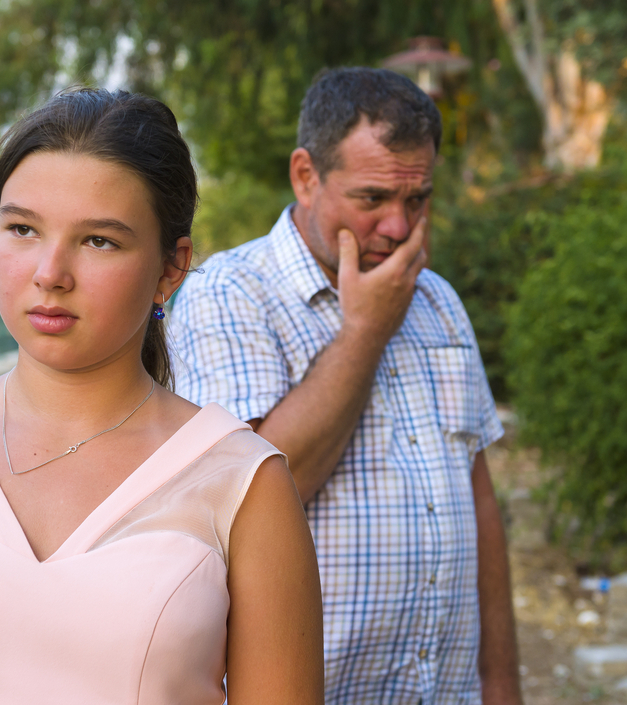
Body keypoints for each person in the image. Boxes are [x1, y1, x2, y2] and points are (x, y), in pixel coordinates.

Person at [0, 87, 323, 705]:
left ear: (171, 268)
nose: (50, 272)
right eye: (23, 228)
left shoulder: (242, 482)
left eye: (98, 241)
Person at [170, 68, 521, 704]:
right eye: (373, 199)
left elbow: (480, 502)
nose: (398, 227)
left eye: (417, 201)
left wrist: (501, 686)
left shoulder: (438, 300)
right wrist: (364, 331)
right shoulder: (230, 294)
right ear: (306, 175)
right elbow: (265, 491)